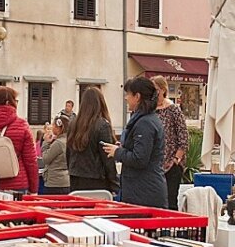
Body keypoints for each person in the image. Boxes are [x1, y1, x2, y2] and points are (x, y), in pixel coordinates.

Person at [102, 77, 167, 208]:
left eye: (128, 94)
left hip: (144, 192)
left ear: (137, 96)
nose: (126, 98)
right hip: (142, 189)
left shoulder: (145, 123)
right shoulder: (146, 119)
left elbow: (140, 159)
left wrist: (118, 153)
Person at [67, 86, 119, 193]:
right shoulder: (103, 125)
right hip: (97, 179)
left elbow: (68, 153)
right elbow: (107, 158)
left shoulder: (73, 124)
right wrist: (114, 184)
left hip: (76, 177)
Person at [153, 76, 189, 210]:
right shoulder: (150, 110)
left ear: (163, 90)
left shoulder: (173, 109)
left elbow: (183, 136)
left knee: (170, 200)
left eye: (156, 89)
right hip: (155, 165)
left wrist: (176, 159)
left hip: (171, 164)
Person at [41, 115, 70, 195]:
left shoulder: (58, 143)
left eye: (53, 125)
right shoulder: (69, 140)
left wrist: (45, 142)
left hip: (54, 182)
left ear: (58, 128)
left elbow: (46, 159)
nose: (52, 127)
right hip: (66, 180)